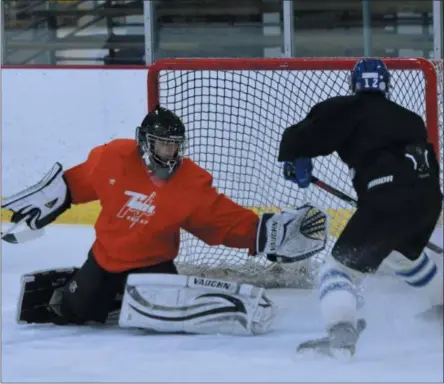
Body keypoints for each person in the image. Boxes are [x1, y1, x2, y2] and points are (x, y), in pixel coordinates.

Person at [2, 105, 328, 336]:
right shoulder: (112, 158)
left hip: (153, 266)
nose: (169, 152)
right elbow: (77, 183)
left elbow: (222, 222)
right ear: (145, 141)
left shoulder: (191, 183)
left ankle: (126, 295)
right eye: (163, 144)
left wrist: (266, 234)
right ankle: (104, 294)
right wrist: (48, 201)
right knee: (75, 313)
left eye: (174, 146)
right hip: (103, 260)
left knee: (154, 326)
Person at [278, 58, 443, 357]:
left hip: (385, 200)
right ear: (386, 87)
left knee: (336, 271)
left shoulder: (347, 109)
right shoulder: (410, 119)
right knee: (403, 257)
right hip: (428, 201)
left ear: (354, 85)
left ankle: (341, 335)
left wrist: (295, 156)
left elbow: (304, 134)